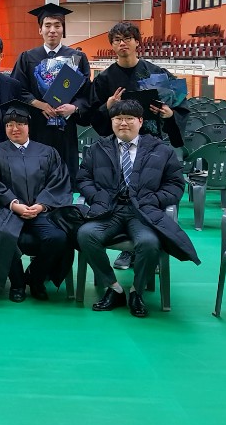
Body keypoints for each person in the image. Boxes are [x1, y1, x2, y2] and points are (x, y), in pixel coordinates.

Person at [76, 100, 198, 318]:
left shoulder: (161, 150)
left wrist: (154, 199)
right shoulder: (97, 149)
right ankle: (114, 288)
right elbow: (83, 179)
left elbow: (175, 184)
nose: (123, 123)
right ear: (111, 122)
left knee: (149, 243)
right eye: (118, 118)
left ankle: (136, 291)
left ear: (140, 121)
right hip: (108, 211)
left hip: (142, 213)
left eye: (129, 118)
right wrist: (98, 197)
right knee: (86, 234)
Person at [0, 103, 75, 302]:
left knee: (58, 238)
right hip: (7, 210)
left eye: (20, 124)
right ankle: (17, 283)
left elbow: (58, 182)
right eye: (9, 125)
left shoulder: (48, 152)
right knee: (3, 234)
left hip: (42, 211)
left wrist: (41, 205)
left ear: (29, 126)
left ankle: (35, 278)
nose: (14, 128)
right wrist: (13, 203)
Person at [10, 4, 91, 188]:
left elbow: (87, 93)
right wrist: (39, 104)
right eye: (47, 25)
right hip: (37, 125)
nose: (52, 30)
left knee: (66, 173)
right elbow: (17, 88)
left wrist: (73, 108)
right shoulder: (27, 57)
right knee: (37, 173)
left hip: (66, 128)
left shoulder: (76, 58)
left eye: (57, 25)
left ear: (63, 30)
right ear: (40, 30)